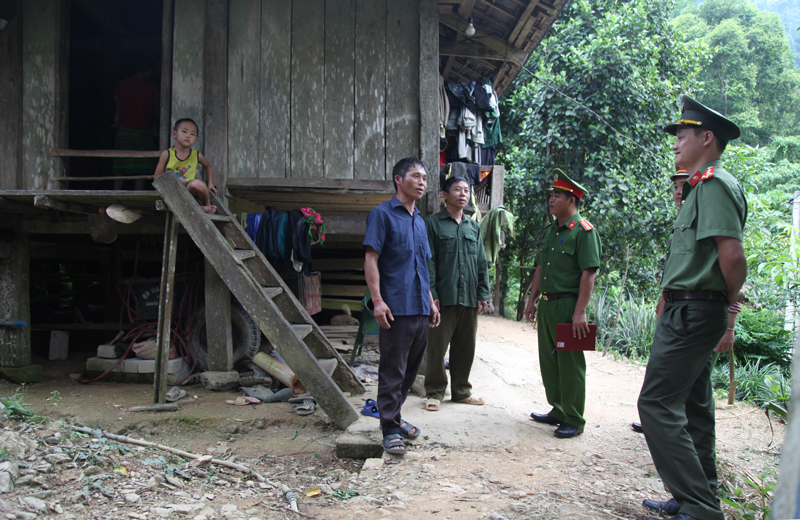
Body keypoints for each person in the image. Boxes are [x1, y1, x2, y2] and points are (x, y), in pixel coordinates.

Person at [638, 95, 747, 520]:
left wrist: (725, 303)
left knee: (656, 403)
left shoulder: (716, 184)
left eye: (681, 135)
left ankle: (699, 506)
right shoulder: (700, 186)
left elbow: (732, 257)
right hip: (689, 308)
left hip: (696, 311)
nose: (674, 143)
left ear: (707, 137)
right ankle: (699, 498)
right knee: (694, 407)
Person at [363, 157, 441, 456]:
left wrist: (431, 300)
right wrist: (378, 301)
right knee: (392, 371)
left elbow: (422, 265)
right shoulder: (382, 215)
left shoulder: (419, 221)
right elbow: (371, 259)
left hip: (420, 307)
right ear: (399, 179)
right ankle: (390, 428)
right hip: (396, 307)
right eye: (416, 176)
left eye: (424, 178)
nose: (422, 182)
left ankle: (393, 414)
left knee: (409, 373)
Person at [523, 171, 602, 439]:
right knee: (549, 360)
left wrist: (580, 312)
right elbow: (540, 268)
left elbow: (588, 274)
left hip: (569, 307)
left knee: (570, 363)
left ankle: (574, 418)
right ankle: (558, 408)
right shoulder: (550, 231)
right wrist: (532, 300)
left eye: (557, 195)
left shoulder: (584, 232)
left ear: (572, 200)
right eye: (551, 195)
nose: (551, 199)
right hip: (547, 306)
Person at [424, 175, 491, 412]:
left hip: (470, 297)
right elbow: (428, 261)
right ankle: (434, 392)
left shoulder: (473, 226)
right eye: (457, 190)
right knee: (437, 348)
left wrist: (483, 293)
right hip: (445, 296)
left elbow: (481, 263)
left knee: (465, 348)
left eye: (466, 190)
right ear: (445, 195)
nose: (463, 194)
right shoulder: (433, 224)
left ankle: (462, 391)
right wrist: (432, 293)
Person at [632, 167, 689, 434]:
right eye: (675, 188)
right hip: (672, 307)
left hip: (694, 311)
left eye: (684, 186)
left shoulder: (704, 220)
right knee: (662, 367)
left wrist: (730, 327)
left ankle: (667, 425)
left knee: (686, 378)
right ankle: (659, 421)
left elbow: (731, 272)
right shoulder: (679, 223)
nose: (678, 193)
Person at [154, 118, 218, 214]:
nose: (188, 136)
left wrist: (210, 183)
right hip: (173, 189)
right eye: (184, 131)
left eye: (192, 134)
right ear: (174, 134)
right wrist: (174, 180)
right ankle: (198, 208)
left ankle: (206, 204)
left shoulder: (196, 155)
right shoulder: (167, 154)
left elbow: (207, 166)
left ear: (195, 140)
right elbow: (157, 176)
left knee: (197, 184)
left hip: (190, 189)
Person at [113, 61, 160, 191]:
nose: (152, 74)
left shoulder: (123, 84)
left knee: (121, 165)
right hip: (144, 129)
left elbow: (117, 102)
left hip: (124, 128)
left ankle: (115, 194)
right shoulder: (152, 86)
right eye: (150, 71)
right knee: (143, 166)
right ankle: (137, 193)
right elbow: (156, 110)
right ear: (141, 71)